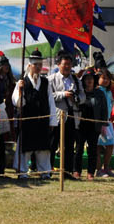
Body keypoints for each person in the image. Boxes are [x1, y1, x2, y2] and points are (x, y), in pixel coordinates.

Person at [11, 49, 55, 181]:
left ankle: (45, 172)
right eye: (35, 65)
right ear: (29, 66)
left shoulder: (46, 82)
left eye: (40, 65)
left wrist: (52, 121)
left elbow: (51, 101)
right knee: (25, 148)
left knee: (43, 149)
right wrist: (20, 90)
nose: (38, 68)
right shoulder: (22, 82)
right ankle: (22, 171)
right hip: (27, 120)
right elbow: (18, 102)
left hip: (42, 120)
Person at [48, 51, 83, 173]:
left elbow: (82, 96)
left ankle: (68, 171)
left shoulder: (76, 80)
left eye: (69, 64)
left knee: (69, 145)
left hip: (72, 115)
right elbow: (48, 96)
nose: (67, 66)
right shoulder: (51, 79)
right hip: (56, 116)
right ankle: (48, 170)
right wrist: (63, 94)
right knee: (52, 144)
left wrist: (76, 98)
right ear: (58, 65)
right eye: (65, 64)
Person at [76, 69, 107, 179]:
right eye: (87, 79)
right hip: (80, 125)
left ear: (94, 80)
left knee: (92, 150)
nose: (89, 81)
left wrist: (104, 124)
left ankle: (90, 173)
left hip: (94, 126)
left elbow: (104, 109)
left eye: (91, 79)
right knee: (79, 149)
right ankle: (77, 171)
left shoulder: (99, 93)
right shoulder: (79, 92)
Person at [95, 66, 114, 177]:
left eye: (107, 79)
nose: (105, 80)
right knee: (98, 147)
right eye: (103, 78)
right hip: (98, 123)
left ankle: (106, 167)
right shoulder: (97, 91)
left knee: (110, 145)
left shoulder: (109, 92)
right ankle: (98, 170)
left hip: (107, 122)